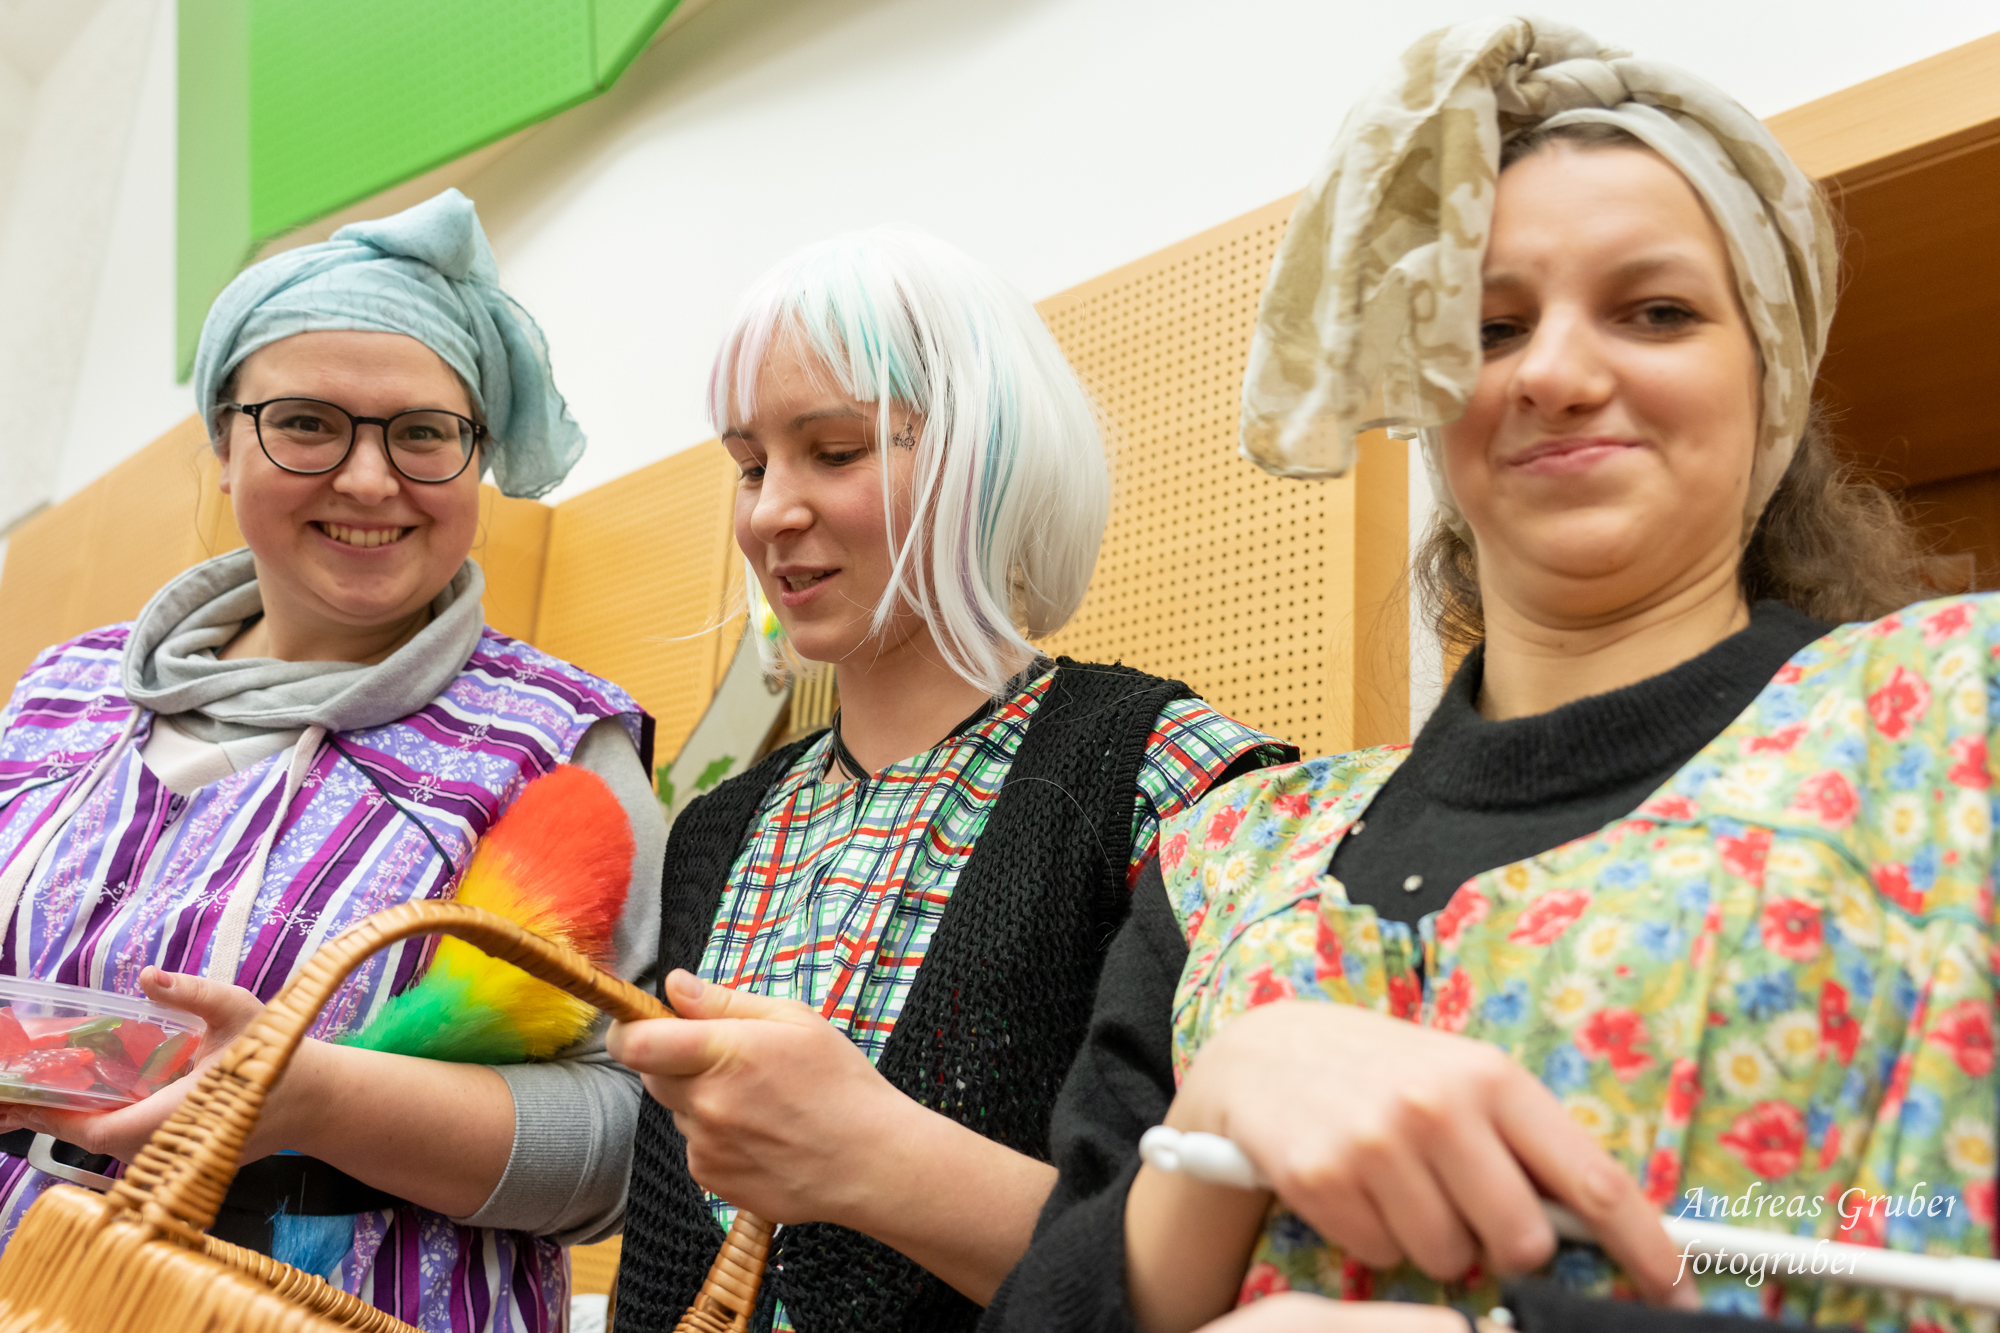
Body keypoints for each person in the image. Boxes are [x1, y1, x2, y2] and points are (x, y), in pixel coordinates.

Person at [988, 17, 1990, 1333]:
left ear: (1772, 376)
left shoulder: (1960, 724)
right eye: (1491, 327)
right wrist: (1215, 1125)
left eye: (1656, 311)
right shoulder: (1227, 862)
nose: (1557, 373)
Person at [605, 227, 1295, 1332]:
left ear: (988, 458)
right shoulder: (715, 831)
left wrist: (875, 1156)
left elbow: (1246, 1263)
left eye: (835, 450)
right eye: (750, 465)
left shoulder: (1173, 785)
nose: (769, 511)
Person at [0, 189, 665, 1333]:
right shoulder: (63, 693)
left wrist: (314, 1100)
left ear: (476, 457)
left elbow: (638, 1147)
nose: (367, 478)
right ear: (223, 444)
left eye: (422, 433)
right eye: (306, 422)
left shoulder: (555, 749)